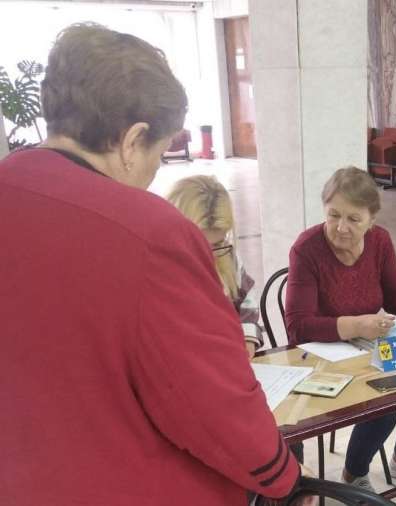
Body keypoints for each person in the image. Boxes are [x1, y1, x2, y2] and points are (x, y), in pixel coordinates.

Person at [0, 24, 302, 505]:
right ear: (132, 138)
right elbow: (211, 404)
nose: (153, 172)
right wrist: (283, 477)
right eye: (159, 154)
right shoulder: (146, 232)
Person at [285, 167, 396, 492]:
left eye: (354, 219)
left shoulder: (380, 241)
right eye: (333, 215)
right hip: (317, 357)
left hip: (364, 349)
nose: (341, 227)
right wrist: (357, 325)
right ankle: (354, 474)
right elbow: (298, 326)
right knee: (385, 402)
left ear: (371, 219)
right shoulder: (307, 248)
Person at [167, 175, 263, 359]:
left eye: (218, 244)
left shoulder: (227, 255)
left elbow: (246, 299)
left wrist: (248, 338)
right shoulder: (158, 270)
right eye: (199, 245)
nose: (209, 256)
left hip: (226, 361)